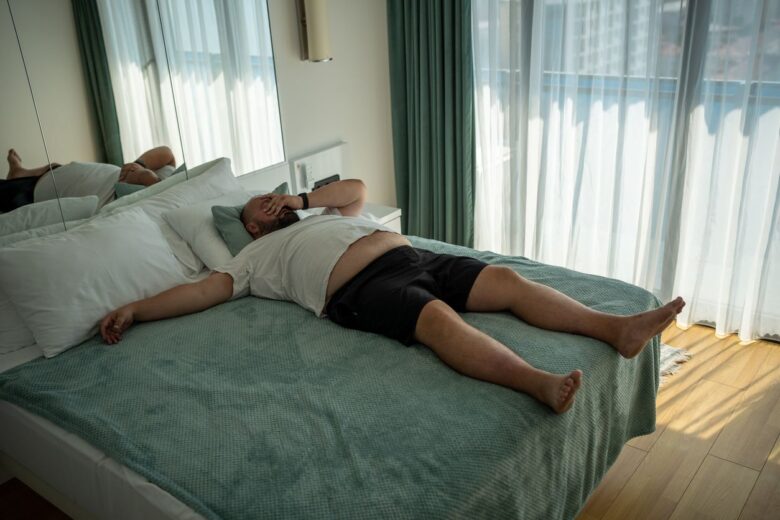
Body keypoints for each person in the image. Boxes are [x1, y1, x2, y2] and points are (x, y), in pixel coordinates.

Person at [100, 179, 685, 414]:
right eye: (261, 202)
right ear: (250, 226)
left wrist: (301, 201)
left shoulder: (321, 213)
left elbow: (356, 188)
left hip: (413, 257)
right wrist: (136, 308)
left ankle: (615, 329)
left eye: (275, 195)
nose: (271, 199)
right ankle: (537, 382)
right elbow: (201, 292)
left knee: (505, 280)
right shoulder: (250, 258)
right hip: (361, 289)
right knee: (436, 318)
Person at [1, 146, 176, 212]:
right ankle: (19, 172)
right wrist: (140, 165)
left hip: (33, 195)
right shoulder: (174, 184)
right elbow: (167, 154)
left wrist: (147, 179)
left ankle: (18, 174)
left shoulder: (155, 210)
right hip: (66, 173)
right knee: (55, 168)